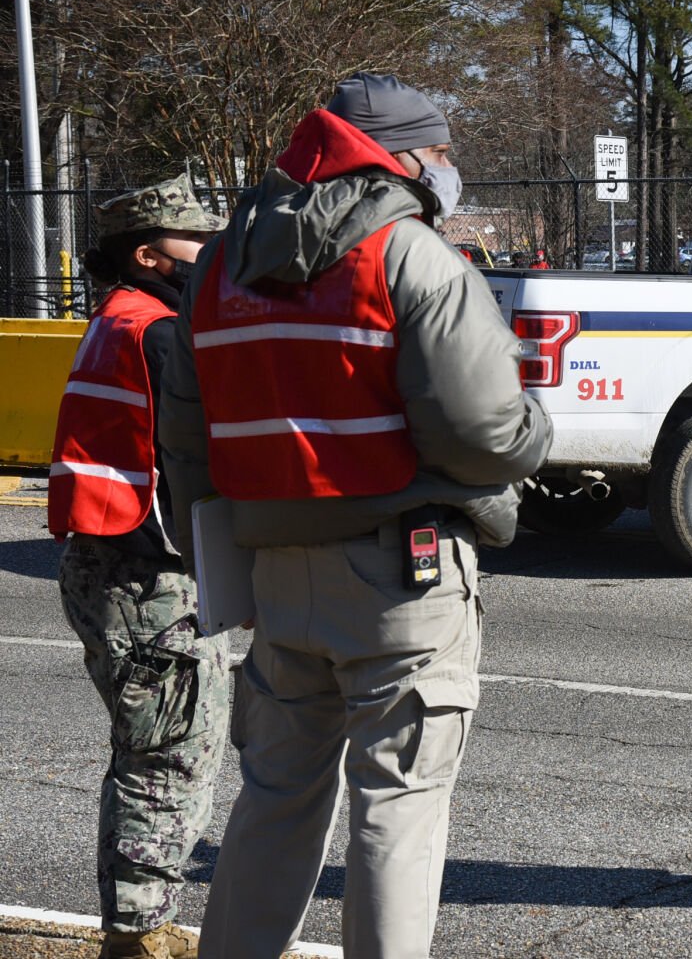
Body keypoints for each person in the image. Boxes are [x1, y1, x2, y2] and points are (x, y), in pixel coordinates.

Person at [160, 72, 553, 958]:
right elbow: (484, 433)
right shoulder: (409, 256)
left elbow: (186, 441)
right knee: (399, 809)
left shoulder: (218, 264)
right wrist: (537, 430)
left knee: (274, 801)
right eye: (443, 152)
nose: (449, 170)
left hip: (271, 572)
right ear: (404, 159)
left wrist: (225, 556)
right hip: (398, 575)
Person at [46, 175, 229, 959]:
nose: (209, 251)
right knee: (166, 758)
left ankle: (142, 921)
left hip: (111, 568)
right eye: (195, 240)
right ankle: (139, 935)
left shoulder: (120, 319)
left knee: (158, 748)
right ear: (149, 253)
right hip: (146, 579)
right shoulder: (155, 330)